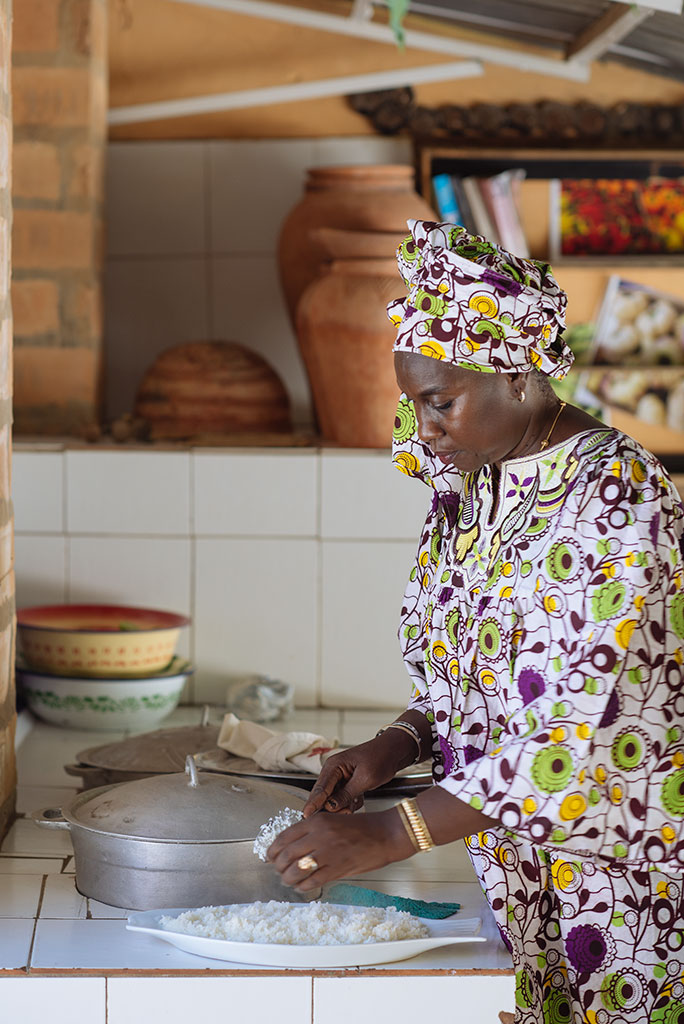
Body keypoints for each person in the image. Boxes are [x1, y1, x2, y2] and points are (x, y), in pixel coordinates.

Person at [268, 219, 684, 1024]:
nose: (423, 428)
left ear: (521, 377)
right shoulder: (480, 485)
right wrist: (398, 743)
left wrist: (397, 835)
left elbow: (578, 730)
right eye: (414, 403)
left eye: (440, 401)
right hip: (518, 869)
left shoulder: (617, 500)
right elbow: (489, 674)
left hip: (624, 887)